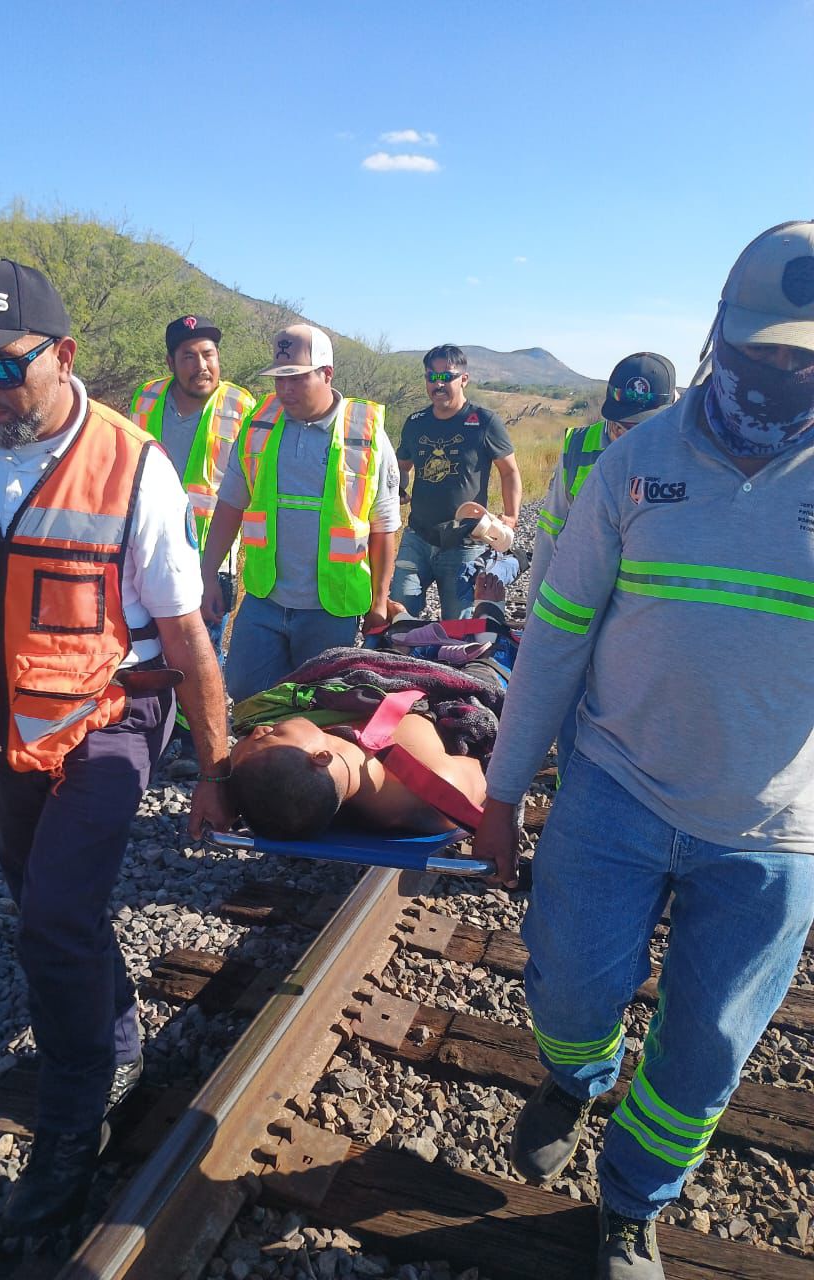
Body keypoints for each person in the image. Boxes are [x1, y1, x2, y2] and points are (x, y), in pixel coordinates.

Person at [0, 260, 234, 1235]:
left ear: (63, 357)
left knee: (54, 913)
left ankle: (71, 1124)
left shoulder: (132, 466)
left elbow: (188, 635)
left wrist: (218, 767)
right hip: (10, 724)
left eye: (1, 368)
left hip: (118, 712)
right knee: (38, 896)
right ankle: (113, 1036)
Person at [474, 221, 814, 1280]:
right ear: (719, 334)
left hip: (772, 827)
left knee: (708, 1050)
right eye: (764, 354)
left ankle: (631, 1203)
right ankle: (578, 1075)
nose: (780, 378)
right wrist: (501, 788)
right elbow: (558, 636)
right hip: (615, 789)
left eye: (805, 361)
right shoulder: (639, 462)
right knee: (570, 991)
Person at [201, 324, 401, 702]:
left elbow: (383, 527)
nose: (285, 390)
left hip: (330, 608)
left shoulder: (366, 433)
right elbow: (230, 506)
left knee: (316, 703)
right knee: (246, 692)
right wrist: (208, 573)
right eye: (279, 379)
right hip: (265, 599)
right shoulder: (259, 425)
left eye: (296, 378)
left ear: (327, 374)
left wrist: (379, 600)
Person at [230, 587, 516, 838]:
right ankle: (489, 609)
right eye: (271, 734)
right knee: (494, 652)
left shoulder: (325, 777)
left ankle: (404, 625)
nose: (260, 729)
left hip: (406, 684)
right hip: (456, 695)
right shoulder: (437, 790)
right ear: (321, 757)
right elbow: (494, 768)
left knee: (396, 639)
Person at [528, 352, 676, 773]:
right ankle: (570, 801)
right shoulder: (578, 446)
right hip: (579, 605)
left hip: (637, 617)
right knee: (571, 716)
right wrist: (538, 619)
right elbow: (549, 532)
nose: (621, 436)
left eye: (635, 428)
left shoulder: (683, 456)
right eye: (616, 423)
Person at [130, 315, 254, 777]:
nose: (201, 365)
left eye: (209, 355)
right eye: (189, 356)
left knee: (202, 647)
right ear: (171, 362)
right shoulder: (146, 398)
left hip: (208, 554)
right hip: (145, 548)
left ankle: (196, 742)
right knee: (144, 642)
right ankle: (152, 730)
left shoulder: (243, 405)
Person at [391, 344, 522, 619]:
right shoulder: (416, 422)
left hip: (465, 542)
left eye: (446, 376)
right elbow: (401, 466)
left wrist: (511, 516)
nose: (439, 384)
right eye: (432, 377)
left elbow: (509, 471)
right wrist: (398, 487)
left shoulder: (485, 421)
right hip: (418, 536)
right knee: (398, 615)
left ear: (464, 379)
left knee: (459, 627)